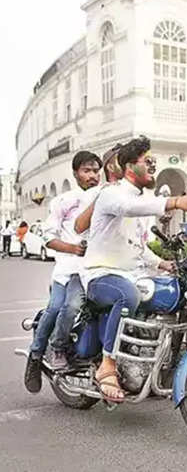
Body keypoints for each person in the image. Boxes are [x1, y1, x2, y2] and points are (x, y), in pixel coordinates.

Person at [81, 136, 187, 403]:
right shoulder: (111, 194)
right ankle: (107, 365)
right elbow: (128, 208)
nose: (153, 166)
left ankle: (161, 363)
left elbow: (137, 246)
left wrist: (163, 264)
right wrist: (175, 201)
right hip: (100, 274)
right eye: (148, 161)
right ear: (130, 166)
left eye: (154, 161)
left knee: (173, 295)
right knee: (127, 295)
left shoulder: (144, 199)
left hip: (132, 274)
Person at [24, 151, 103, 393]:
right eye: (87, 170)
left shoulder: (104, 197)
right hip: (68, 270)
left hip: (95, 270)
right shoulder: (63, 201)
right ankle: (39, 354)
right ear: (76, 173)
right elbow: (48, 237)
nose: (92, 175)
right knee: (61, 307)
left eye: (95, 170)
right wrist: (72, 248)